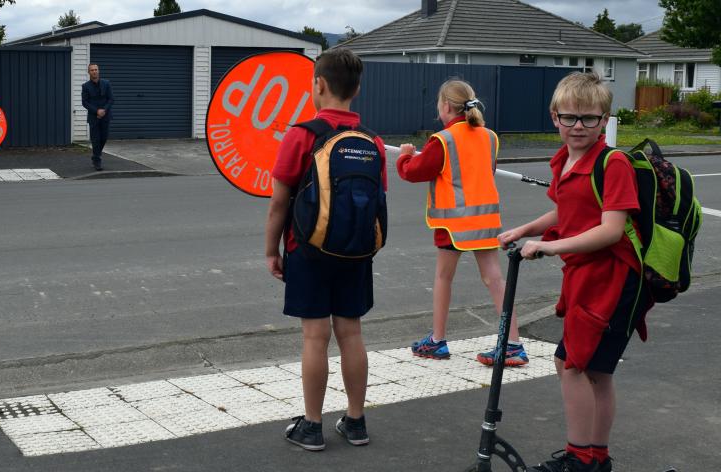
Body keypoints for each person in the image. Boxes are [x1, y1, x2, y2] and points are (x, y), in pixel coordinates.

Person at [498, 72, 653, 472]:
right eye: (570, 117)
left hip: (614, 280)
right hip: (586, 276)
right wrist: (526, 229)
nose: (578, 126)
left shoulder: (613, 162)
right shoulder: (565, 158)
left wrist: (549, 245)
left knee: (572, 365)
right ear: (554, 117)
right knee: (596, 371)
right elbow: (566, 210)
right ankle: (594, 458)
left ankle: (581, 458)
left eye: (589, 118)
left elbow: (611, 229)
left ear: (605, 120)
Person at [264, 48, 387, 452]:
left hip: (308, 250)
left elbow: (279, 202)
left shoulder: (302, 134)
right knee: (351, 333)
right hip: (355, 252)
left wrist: (271, 250)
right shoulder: (373, 141)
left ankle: (312, 426)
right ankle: (355, 421)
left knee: (315, 337)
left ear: (319, 84)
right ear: (358, 89)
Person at [396, 80, 527, 366]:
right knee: (495, 279)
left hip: (453, 223)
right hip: (485, 220)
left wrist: (405, 156)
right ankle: (514, 343)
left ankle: (437, 340)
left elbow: (415, 172)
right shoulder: (490, 137)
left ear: (445, 106)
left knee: (444, 278)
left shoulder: (442, 140)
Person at [81, 63, 114, 171]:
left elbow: (111, 99)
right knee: (95, 140)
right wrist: (97, 111)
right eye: (92, 70)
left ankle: (96, 156)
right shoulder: (86, 86)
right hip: (93, 117)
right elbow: (85, 102)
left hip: (106, 115)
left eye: (96, 69)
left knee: (103, 138)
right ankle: (97, 161)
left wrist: (104, 110)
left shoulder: (106, 83)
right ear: (89, 72)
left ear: (98, 71)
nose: (94, 71)